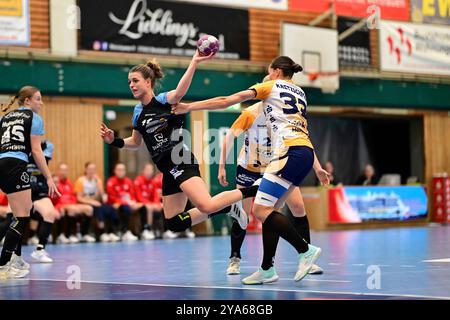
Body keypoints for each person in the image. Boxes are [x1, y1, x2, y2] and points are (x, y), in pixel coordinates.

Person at [172, 56, 330, 284]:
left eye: (268, 71)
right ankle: (267, 268)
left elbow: (228, 100)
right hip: (300, 153)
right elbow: (298, 129)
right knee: (271, 210)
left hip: (286, 154)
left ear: (275, 71)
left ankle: (305, 250)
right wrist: (318, 167)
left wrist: (189, 106)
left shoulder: (269, 87)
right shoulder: (300, 93)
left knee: (260, 210)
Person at [100, 51, 259, 237]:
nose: (131, 85)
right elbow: (135, 142)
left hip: (181, 161)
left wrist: (194, 62)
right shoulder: (137, 112)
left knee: (206, 204)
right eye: (129, 82)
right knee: (174, 223)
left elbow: (180, 91)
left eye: (135, 81)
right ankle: (229, 208)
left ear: (148, 82)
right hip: (167, 170)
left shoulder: (163, 101)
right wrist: (114, 141)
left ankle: (254, 189)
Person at [218, 100, 326, 276]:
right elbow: (228, 138)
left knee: (297, 207)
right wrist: (222, 166)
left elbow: (302, 141)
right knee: (242, 214)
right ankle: (235, 259)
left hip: (275, 167)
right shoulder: (250, 113)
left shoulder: (285, 115)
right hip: (249, 168)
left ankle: (306, 257)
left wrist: (318, 168)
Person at [0, 86, 60, 279]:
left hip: (2, 163)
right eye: (38, 99)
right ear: (27, 101)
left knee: (20, 212)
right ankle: (3, 264)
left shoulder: (5, 117)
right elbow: (36, 151)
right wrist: (49, 177)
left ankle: (16, 258)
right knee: (22, 217)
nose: (41, 103)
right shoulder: (34, 118)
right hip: (15, 165)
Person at [27, 139, 61, 262]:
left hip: (39, 188)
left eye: (40, 133)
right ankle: (12, 253)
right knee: (12, 219)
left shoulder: (47, 145)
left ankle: (40, 250)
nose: (39, 136)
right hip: (23, 188)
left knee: (50, 213)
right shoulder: (20, 145)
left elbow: (39, 157)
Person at [74, 162, 120, 242]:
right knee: (99, 209)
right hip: (85, 203)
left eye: (93, 169)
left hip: (97, 202)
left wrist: (98, 185)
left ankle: (111, 232)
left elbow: (102, 197)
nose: (92, 171)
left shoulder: (97, 180)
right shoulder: (81, 181)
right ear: (86, 169)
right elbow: (79, 198)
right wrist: (92, 202)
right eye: (90, 169)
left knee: (111, 209)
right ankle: (101, 233)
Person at [54, 163, 95, 243]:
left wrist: (74, 203)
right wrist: (71, 205)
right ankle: (70, 235)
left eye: (65, 170)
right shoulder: (56, 182)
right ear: (58, 171)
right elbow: (56, 198)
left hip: (71, 204)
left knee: (89, 209)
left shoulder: (69, 183)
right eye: (62, 170)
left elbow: (73, 196)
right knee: (72, 209)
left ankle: (84, 234)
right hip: (60, 204)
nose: (64, 172)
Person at [106, 163, 141, 241]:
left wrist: (133, 202)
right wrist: (126, 203)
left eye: (122, 170)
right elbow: (112, 197)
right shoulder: (111, 181)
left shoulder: (128, 181)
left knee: (142, 207)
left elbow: (132, 195)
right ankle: (123, 231)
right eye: (119, 170)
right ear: (115, 171)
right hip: (113, 204)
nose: (121, 171)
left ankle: (144, 231)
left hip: (126, 204)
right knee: (124, 208)